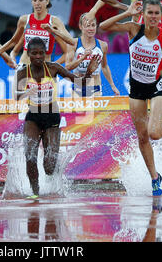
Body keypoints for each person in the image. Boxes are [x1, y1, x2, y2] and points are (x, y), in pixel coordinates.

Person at [98, 0, 162, 196]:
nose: (153, 17)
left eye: (157, 13)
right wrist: (127, 11)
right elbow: (103, 26)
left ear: (160, 16)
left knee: (154, 133)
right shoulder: (133, 28)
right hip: (136, 90)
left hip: (156, 87)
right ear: (144, 14)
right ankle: (155, 178)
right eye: (149, 13)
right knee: (142, 137)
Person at [15, 37, 101, 199]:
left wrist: (88, 72)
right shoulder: (22, 72)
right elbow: (16, 97)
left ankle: (55, 184)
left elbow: (79, 82)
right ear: (28, 54)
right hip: (33, 116)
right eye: (34, 53)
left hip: (52, 117)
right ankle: (35, 192)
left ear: (46, 54)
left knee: (49, 166)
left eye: (42, 53)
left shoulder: (54, 68)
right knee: (30, 156)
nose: (39, 57)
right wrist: (26, 93)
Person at [0, 0, 74, 67]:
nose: (37, 3)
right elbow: (13, 41)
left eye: (41, 0)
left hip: (44, 69)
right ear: (32, 2)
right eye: (35, 0)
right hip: (25, 66)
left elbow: (72, 42)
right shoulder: (24, 19)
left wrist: (53, 31)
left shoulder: (55, 21)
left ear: (47, 1)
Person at [65, 13, 120, 97]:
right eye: (87, 26)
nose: (91, 29)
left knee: (96, 110)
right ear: (81, 27)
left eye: (93, 25)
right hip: (78, 87)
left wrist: (112, 86)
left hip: (95, 88)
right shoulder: (73, 44)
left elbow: (104, 67)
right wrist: (82, 58)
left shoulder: (103, 45)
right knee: (77, 111)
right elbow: (68, 67)